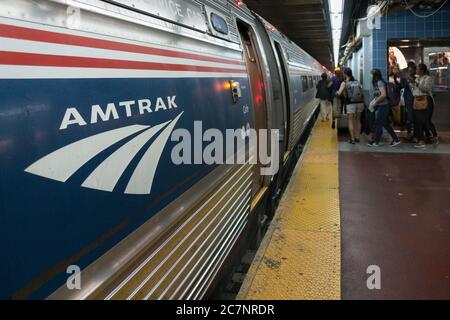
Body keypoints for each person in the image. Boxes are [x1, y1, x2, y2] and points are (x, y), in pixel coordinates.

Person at [367, 69, 401, 147]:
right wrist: (373, 102)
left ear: (374, 75)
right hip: (380, 106)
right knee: (385, 123)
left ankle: (376, 141)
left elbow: (383, 95)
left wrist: (375, 102)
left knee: (378, 122)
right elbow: (378, 95)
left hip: (384, 106)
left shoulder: (380, 82)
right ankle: (396, 139)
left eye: (371, 74)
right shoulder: (376, 83)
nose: (370, 76)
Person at [412, 63, 439, 148]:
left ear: (422, 70)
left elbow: (425, 89)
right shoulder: (417, 78)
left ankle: (434, 136)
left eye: (417, 69)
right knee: (418, 121)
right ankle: (421, 140)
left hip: (426, 100)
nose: (416, 70)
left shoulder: (428, 78)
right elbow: (415, 90)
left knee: (426, 120)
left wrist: (416, 82)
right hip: (417, 100)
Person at [336, 68, 364, 144]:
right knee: (358, 120)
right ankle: (357, 137)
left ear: (345, 74)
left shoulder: (344, 83)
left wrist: (336, 92)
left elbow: (339, 93)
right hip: (360, 102)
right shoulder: (357, 81)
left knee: (350, 120)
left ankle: (352, 139)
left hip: (350, 103)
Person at [400, 61, 416, 140]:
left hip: (415, 100)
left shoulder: (417, 78)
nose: (411, 71)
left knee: (414, 116)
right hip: (409, 99)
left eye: (412, 69)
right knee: (409, 116)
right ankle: (410, 132)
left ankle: (414, 133)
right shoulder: (405, 77)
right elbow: (402, 86)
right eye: (410, 69)